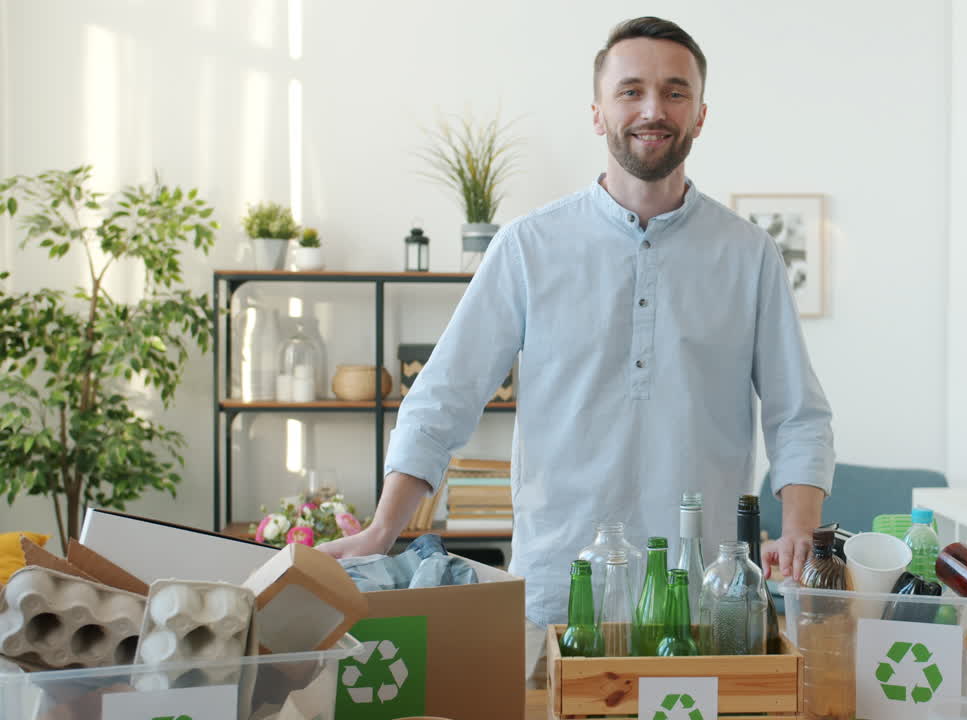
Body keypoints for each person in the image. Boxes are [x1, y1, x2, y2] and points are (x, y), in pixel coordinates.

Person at [320, 16, 834, 628]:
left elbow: (798, 414)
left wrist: (800, 531)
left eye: (675, 91)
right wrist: (383, 530)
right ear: (597, 112)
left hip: (704, 602)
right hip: (557, 595)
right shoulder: (526, 247)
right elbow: (441, 400)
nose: (653, 109)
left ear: (700, 115)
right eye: (630, 90)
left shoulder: (750, 255)